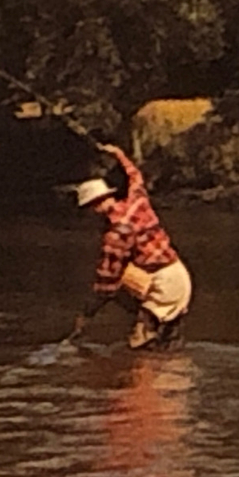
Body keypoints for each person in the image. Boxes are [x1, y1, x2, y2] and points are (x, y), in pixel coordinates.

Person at [72, 143, 192, 350]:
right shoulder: (137, 201)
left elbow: (106, 282)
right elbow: (134, 175)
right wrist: (118, 154)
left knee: (139, 348)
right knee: (169, 345)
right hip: (179, 274)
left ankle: (143, 376)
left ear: (95, 207)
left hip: (165, 287)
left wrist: (86, 314)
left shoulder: (116, 234)